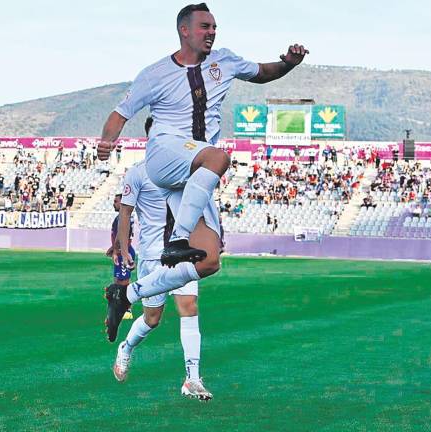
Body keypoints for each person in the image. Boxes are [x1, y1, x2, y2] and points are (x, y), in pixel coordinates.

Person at [98, 3, 307, 341]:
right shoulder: (154, 74)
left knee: (209, 260)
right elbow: (120, 113)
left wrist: (288, 64)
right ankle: (177, 240)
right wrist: (107, 142)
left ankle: (126, 294)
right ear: (184, 31)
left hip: (194, 169)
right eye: (205, 26)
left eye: (214, 27)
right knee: (218, 157)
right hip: (165, 154)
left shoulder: (224, 61)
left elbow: (262, 72)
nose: (212, 32)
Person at [113, 131, 211, 399]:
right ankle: (126, 347)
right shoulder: (137, 172)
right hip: (153, 256)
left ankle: (192, 378)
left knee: (189, 307)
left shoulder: (187, 169)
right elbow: (125, 213)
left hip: (182, 253)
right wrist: (123, 248)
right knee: (152, 319)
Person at [107, 193, 135, 320]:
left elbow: (124, 236)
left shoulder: (123, 218)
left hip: (123, 252)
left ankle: (127, 309)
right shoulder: (121, 217)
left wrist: (116, 251)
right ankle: (121, 307)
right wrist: (113, 248)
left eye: (115, 201)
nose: (114, 204)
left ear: (122, 202)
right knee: (119, 281)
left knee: (124, 282)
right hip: (121, 251)